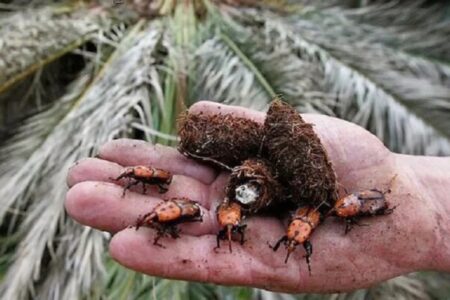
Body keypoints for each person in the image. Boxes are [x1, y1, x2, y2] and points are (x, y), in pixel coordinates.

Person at [65, 101, 450, 293]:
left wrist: (421, 198)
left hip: (284, 201)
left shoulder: (315, 209)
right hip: (251, 197)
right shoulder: (241, 205)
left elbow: (324, 207)